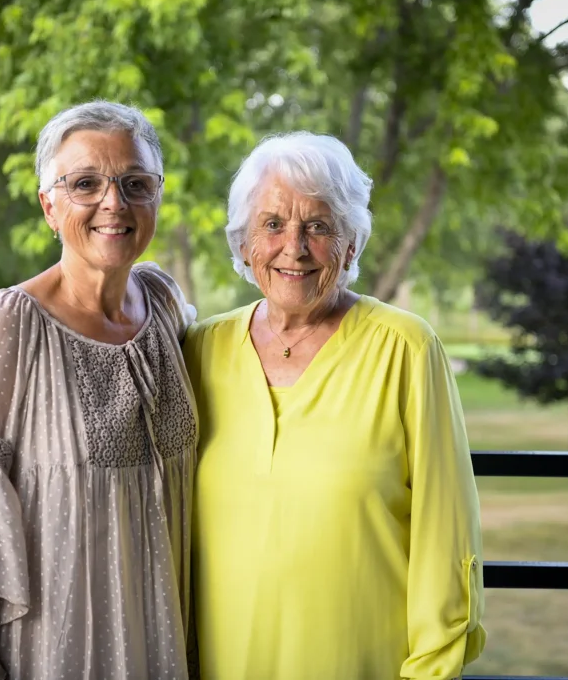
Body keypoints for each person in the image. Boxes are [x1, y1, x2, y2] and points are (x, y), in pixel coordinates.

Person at [184, 132, 486, 679]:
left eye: (318, 227)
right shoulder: (199, 351)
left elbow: (447, 543)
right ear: (244, 242)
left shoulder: (407, 349)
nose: (293, 247)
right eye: (273, 224)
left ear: (351, 244)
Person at [0, 101, 198, 680]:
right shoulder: (9, 323)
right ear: (49, 205)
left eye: (135, 183)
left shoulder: (165, 303)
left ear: (157, 198)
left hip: (160, 637)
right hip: (54, 650)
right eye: (85, 184)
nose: (113, 203)